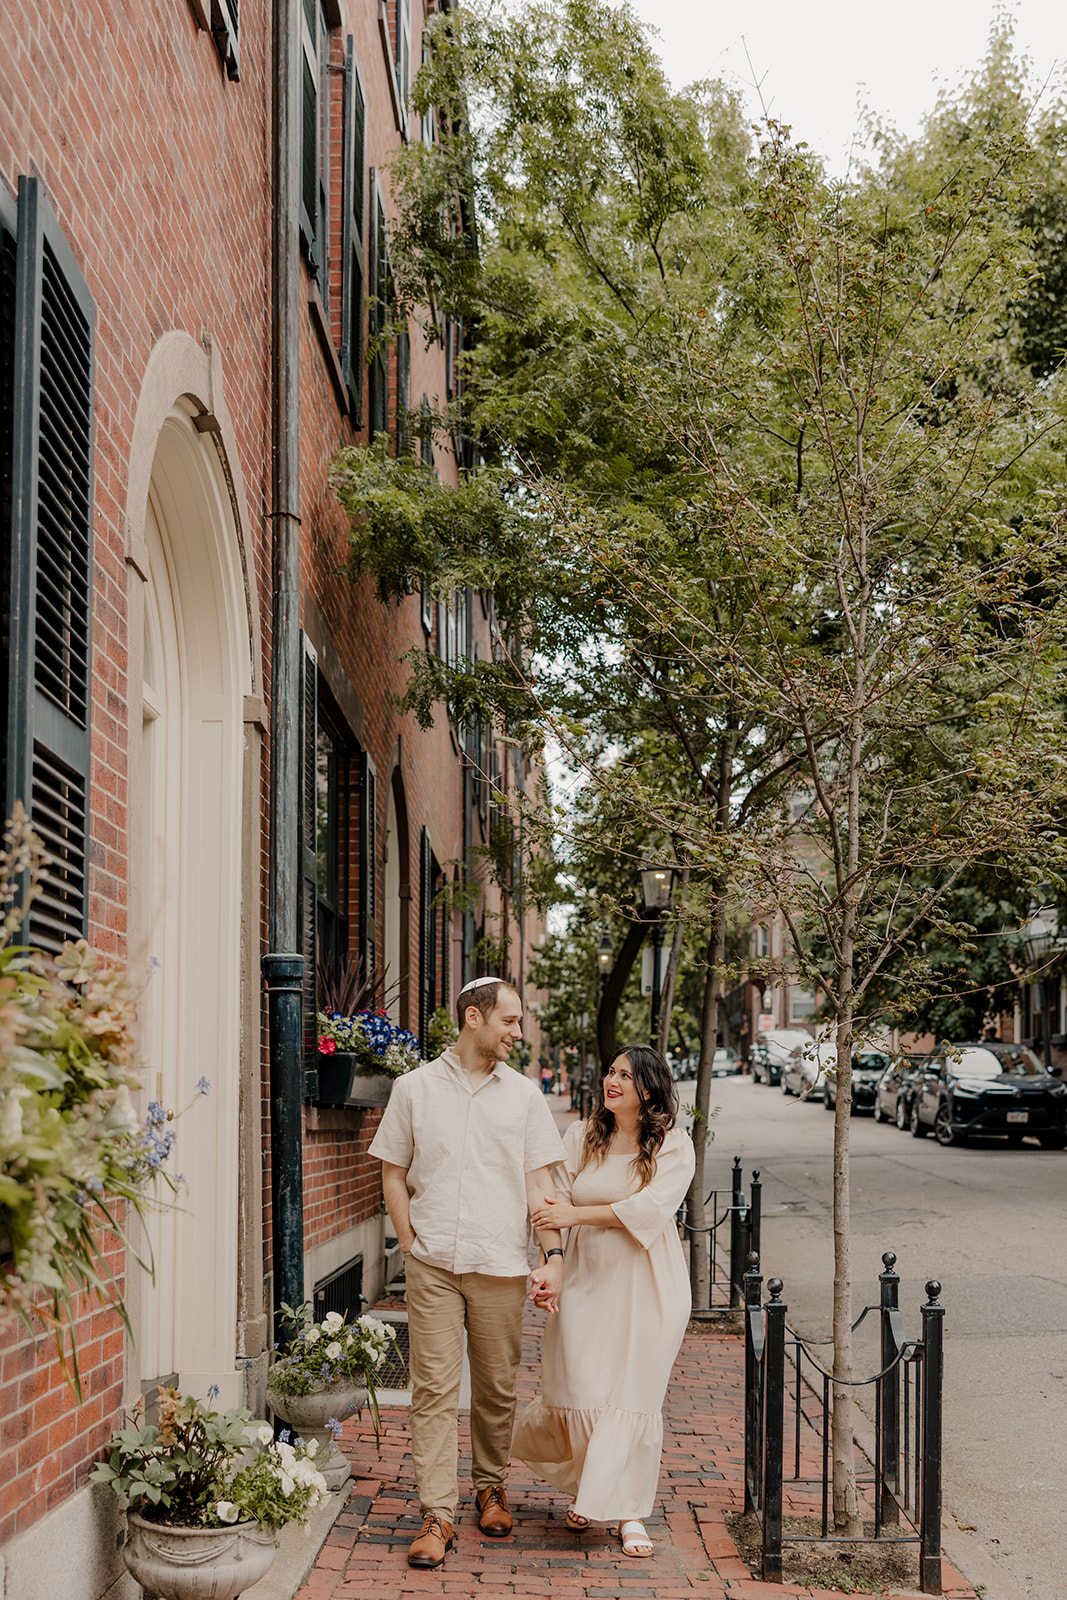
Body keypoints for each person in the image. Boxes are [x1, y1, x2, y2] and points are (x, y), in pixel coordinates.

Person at [369, 977, 566, 1569]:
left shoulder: (525, 1097)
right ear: (473, 1018)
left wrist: (552, 1257)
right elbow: (392, 1172)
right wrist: (408, 1241)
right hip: (431, 1264)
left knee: (497, 1387)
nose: (517, 1033)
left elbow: (541, 1187)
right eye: (509, 1021)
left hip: (500, 1263)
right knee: (432, 1390)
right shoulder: (414, 1089)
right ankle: (437, 1512)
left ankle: (490, 1485)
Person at [512, 1045, 695, 1560]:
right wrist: (553, 1263)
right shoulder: (582, 1137)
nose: (612, 1081)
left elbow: (649, 1209)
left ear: (648, 1090)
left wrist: (575, 1216)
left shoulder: (673, 1147)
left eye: (625, 1076)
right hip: (588, 1279)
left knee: (631, 1395)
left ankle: (629, 1512)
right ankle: (590, 1490)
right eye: (610, 1072)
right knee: (583, 1384)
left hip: (649, 1284)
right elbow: (553, 1206)